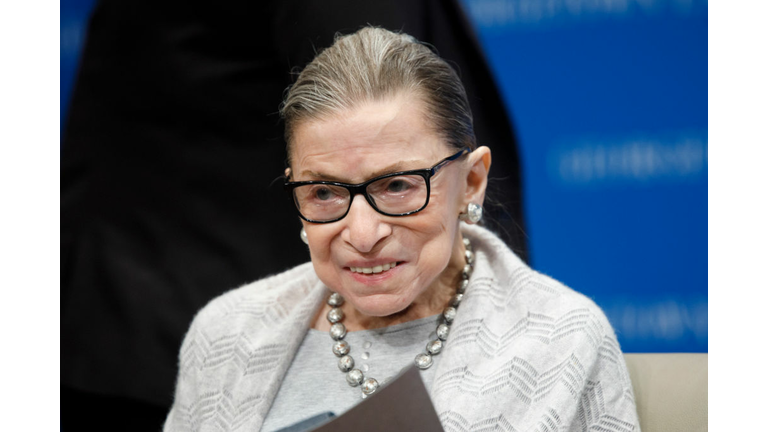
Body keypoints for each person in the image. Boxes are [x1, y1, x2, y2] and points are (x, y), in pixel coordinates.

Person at [164, 27, 639, 432]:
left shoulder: (562, 337)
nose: (363, 234)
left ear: (471, 181)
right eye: (325, 193)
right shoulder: (224, 334)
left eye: (396, 186)